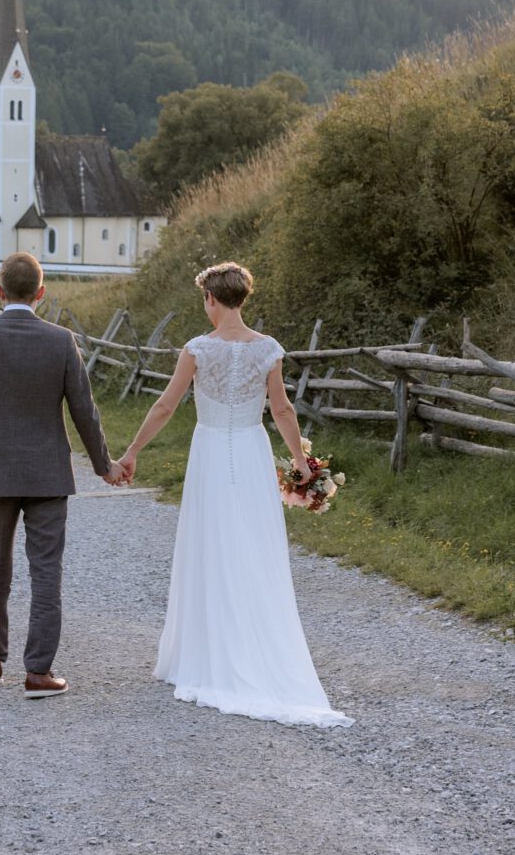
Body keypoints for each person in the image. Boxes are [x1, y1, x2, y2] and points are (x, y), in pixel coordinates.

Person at [111, 261, 350, 727]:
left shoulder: (198, 349)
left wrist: (132, 450)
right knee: (253, 544)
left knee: (210, 543)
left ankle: (207, 653)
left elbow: (165, 405)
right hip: (252, 449)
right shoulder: (268, 350)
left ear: (212, 300)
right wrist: (302, 465)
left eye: (205, 300)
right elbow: (280, 409)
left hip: (209, 455)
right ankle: (253, 643)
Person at [0, 251, 112, 697]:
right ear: (42, 293)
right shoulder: (61, 341)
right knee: (46, 572)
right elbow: (85, 411)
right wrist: (104, 466)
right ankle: (39, 673)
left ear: (0, 292)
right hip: (48, 476)